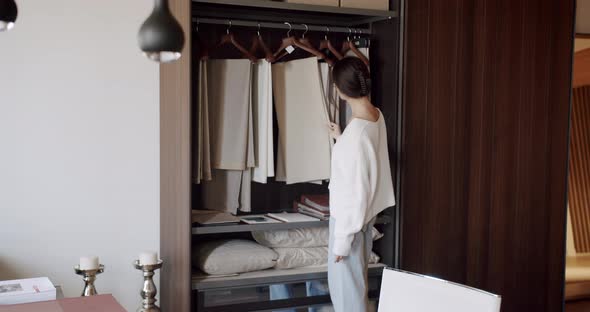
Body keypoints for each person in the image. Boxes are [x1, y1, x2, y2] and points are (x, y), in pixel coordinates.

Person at [327, 57, 396, 312]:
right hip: (364, 220)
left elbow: (354, 193)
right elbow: (366, 163)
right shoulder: (376, 115)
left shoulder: (355, 138)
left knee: (347, 298)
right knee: (357, 290)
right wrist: (340, 138)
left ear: (341, 91)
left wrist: (342, 241)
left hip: (349, 225)